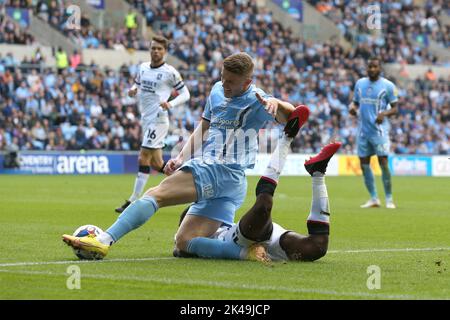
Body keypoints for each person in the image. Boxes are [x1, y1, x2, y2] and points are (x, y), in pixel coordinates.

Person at [63, 52, 302, 260]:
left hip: (218, 169)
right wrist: (181, 158)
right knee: (185, 241)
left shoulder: (258, 100)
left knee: (155, 195)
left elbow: (294, 117)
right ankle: (245, 253)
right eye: (222, 77)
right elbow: (203, 128)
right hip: (231, 184)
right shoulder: (217, 91)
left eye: (231, 82)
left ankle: (103, 240)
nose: (225, 84)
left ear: (247, 82)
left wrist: (277, 102)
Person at [173, 129, 341, 263]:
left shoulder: (210, 228)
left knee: (264, 208)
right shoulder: (189, 241)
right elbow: (180, 249)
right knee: (318, 247)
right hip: (253, 242)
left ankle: (292, 144)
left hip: (242, 235)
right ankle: (316, 171)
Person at [115, 35, 191, 213]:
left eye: (159, 49)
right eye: (153, 48)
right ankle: (189, 187)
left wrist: (170, 104)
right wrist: (133, 90)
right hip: (146, 119)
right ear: (150, 50)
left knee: (143, 157)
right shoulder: (142, 67)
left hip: (158, 120)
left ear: (165, 52)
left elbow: (186, 94)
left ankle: (133, 201)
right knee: (157, 164)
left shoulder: (170, 72)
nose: (156, 51)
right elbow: (137, 84)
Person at [349, 57, 398, 209]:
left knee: (383, 162)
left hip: (379, 131)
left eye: (374, 66)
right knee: (364, 164)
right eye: (369, 66)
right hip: (363, 132)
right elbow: (355, 102)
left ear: (380, 68)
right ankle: (374, 198)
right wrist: (352, 108)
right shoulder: (360, 83)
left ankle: (389, 199)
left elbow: (395, 108)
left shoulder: (388, 86)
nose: (371, 69)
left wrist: (384, 114)